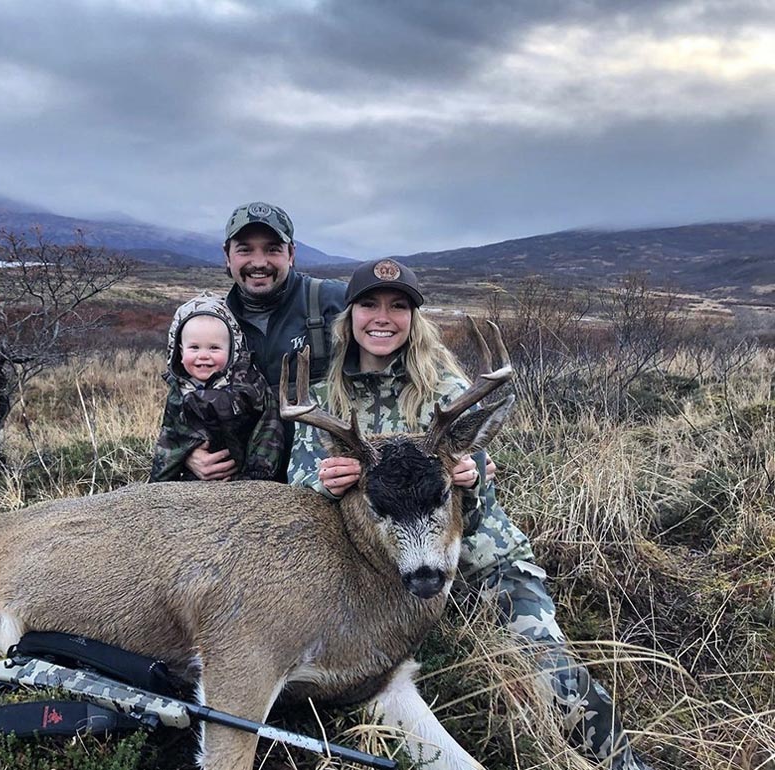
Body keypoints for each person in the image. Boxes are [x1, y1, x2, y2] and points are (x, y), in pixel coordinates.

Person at [287, 258, 654, 770]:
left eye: (399, 307)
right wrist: (324, 486)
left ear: (415, 319)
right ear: (349, 316)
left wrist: (473, 480)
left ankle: (623, 764)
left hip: (481, 563)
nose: (382, 317)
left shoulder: (448, 393)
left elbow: (479, 503)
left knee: (551, 668)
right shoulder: (324, 404)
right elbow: (298, 493)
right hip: (376, 580)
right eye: (369, 304)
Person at [184, 202, 345, 482]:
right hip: (243, 486)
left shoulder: (335, 301)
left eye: (272, 249)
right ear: (227, 256)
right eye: (245, 249)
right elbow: (182, 400)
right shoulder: (211, 323)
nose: (259, 263)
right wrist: (187, 452)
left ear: (291, 254)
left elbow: (405, 360)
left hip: (327, 481)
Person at [149, 291, 283, 482]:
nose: (203, 355)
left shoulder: (249, 386)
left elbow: (268, 430)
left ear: (232, 350)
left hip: (242, 479)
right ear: (179, 350)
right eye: (194, 347)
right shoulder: (178, 392)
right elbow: (169, 441)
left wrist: (256, 479)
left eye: (214, 348)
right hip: (192, 481)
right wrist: (156, 487)